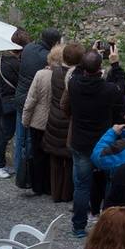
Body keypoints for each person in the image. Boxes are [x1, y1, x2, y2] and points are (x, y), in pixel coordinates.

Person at [63, 49, 125, 238]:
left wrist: (88, 57)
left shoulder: (73, 84)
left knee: (82, 186)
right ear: (100, 68)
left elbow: (74, 72)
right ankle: (107, 222)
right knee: (109, 182)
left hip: (81, 142)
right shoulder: (107, 90)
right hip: (103, 143)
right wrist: (115, 64)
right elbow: (122, 87)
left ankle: (79, 226)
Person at [41, 42, 84, 203]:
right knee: (69, 160)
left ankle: (56, 193)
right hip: (68, 121)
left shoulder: (55, 72)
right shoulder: (76, 77)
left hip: (54, 118)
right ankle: (67, 194)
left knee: (56, 160)